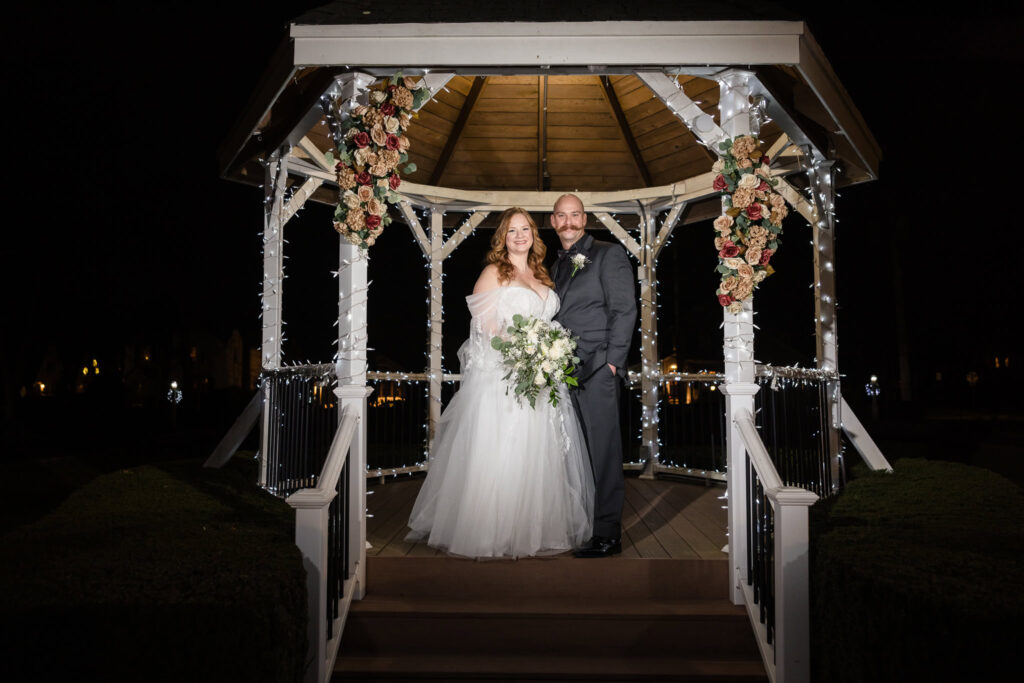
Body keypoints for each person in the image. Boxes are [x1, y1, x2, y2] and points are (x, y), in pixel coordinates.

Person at [406, 208, 594, 559]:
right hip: (506, 381)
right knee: (505, 452)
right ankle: (490, 532)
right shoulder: (494, 273)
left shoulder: (542, 274)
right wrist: (526, 347)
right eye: (512, 231)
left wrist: (547, 352)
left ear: (534, 235)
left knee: (539, 456)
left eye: (525, 229)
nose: (520, 236)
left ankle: (534, 529)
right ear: (502, 238)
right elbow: (485, 330)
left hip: (541, 380)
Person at [549, 194, 636, 558]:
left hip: (598, 367)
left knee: (602, 452)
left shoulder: (607, 253)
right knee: (574, 453)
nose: (569, 221)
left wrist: (612, 362)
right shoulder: (553, 266)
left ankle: (607, 535)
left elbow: (624, 309)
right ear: (553, 222)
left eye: (575, 214)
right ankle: (581, 523)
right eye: (562, 216)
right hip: (562, 371)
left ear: (584, 218)